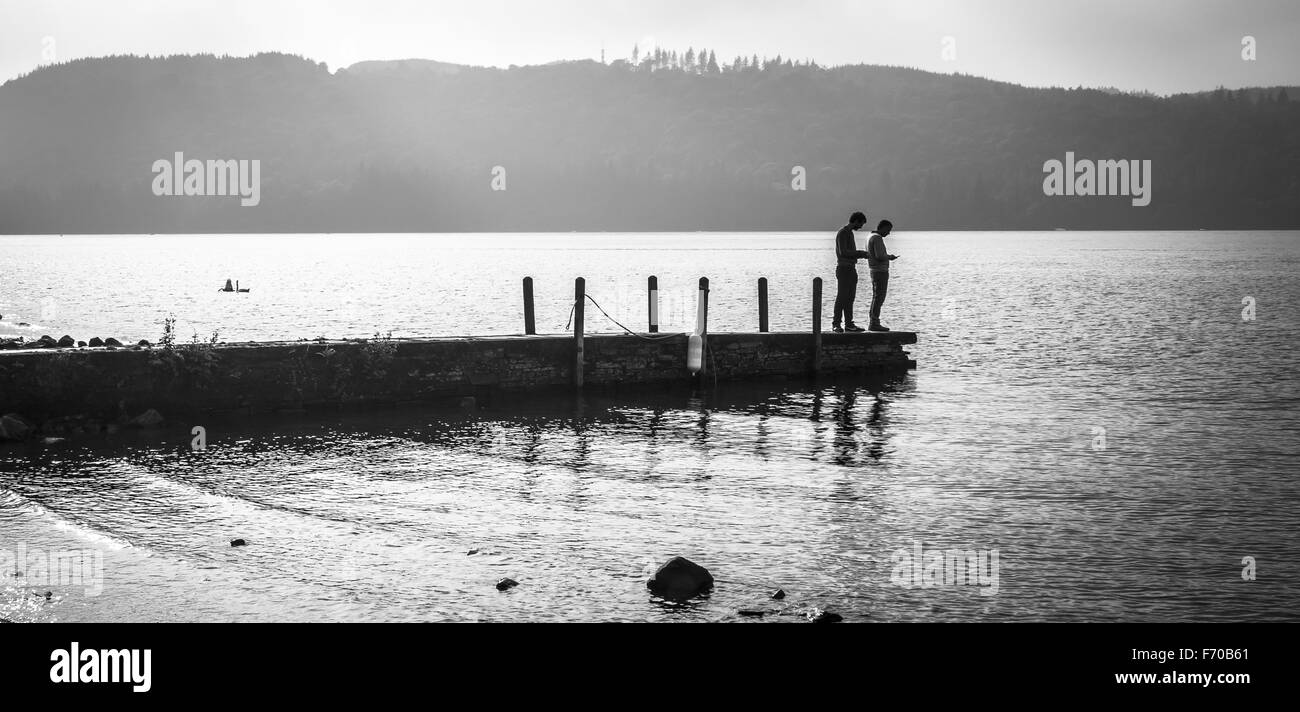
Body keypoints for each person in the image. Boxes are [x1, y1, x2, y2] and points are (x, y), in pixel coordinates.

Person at [832, 211, 872, 332]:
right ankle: (836, 324)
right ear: (856, 221)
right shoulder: (843, 233)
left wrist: (861, 255)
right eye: (860, 224)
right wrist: (862, 254)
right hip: (844, 269)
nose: (860, 227)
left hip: (851, 269)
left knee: (850, 297)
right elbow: (844, 252)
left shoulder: (849, 233)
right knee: (842, 297)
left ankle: (849, 324)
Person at [865, 219, 898, 331]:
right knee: (879, 297)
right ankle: (874, 323)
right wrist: (890, 257)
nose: (888, 233)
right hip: (880, 271)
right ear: (882, 228)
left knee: (876, 296)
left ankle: (873, 321)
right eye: (888, 230)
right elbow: (879, 256)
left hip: (874, 270)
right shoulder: (877, 238)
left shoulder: (870, 236)